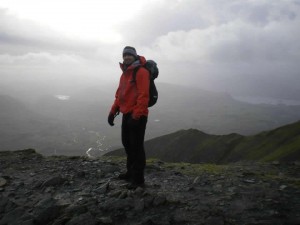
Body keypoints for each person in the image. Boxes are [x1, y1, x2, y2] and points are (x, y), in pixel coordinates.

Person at [108, 46, 150, 187]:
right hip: (127, 114)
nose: (126, 57)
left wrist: (136, 116)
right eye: (124, 55)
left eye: (129, 55)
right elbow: (120, 95)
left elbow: (144, 96)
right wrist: (113, 111)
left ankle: (138, 180)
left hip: (138, 116)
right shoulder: (125, 73)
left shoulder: (141, 72)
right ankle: (130, 173)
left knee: (136, 147)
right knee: (127, 145)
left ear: (134, 56)